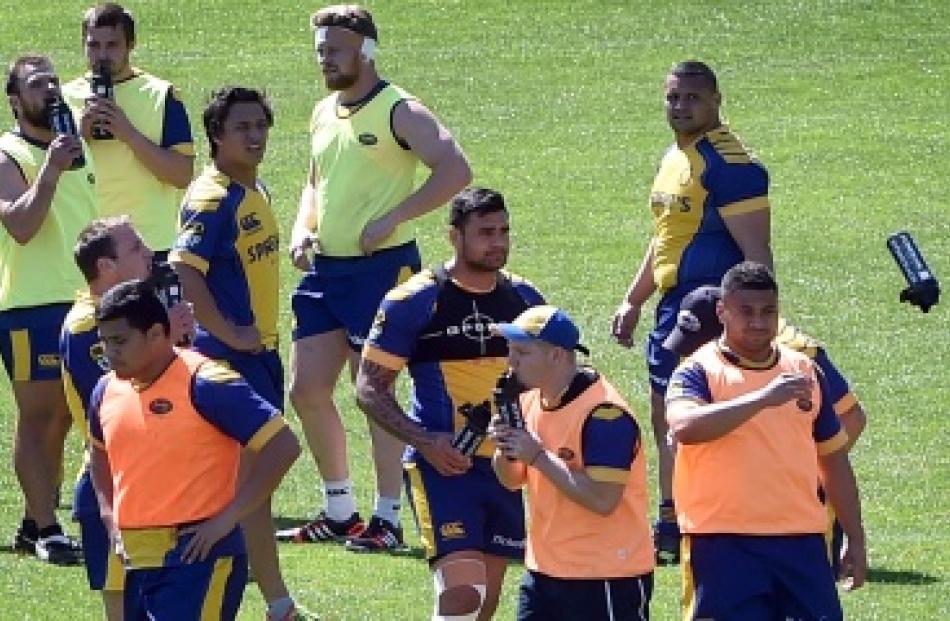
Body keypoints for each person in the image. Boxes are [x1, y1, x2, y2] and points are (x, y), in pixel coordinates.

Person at [282, 3, 472, 551]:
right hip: (325, 272)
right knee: (307, 388)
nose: (326, 60)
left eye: (335, 50)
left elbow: (455, 169)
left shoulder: (398, 108)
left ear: (365, 51)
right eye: (321, 51)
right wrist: (302, 228)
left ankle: (387, 519)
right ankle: (340, 510)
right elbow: (315, 182)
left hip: (381, 272)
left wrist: (394, 217)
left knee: (375, 391)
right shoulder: (323, 111)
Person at [610, 60, 773, 563]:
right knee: (665, 413)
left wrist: (755, 321)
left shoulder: (731, 165)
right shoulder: (675, 156)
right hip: (672, 305)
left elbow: (757, 256)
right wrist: (634, 299)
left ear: (717, 101)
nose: (680, 108)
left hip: (710, 310)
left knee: (701, 413)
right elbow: (664, 235)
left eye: (692, 99)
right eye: (673, 98)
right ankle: (672, 516)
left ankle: (709, 516)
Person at [355, 187, 544, 619]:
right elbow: (369, 387)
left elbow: (552, 378)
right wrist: (425, 441)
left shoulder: (526, 300)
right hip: (444, 467)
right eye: (485, 233)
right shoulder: (414, 301)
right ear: (454, 236)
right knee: (463, 596)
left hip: (507, 471)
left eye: (503, 231)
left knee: (485, 604)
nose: (497, 242)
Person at [169, 87, 305, 621]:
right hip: (231, 360)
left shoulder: (253, 188)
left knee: (254, 487)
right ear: (216, 136)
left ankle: (276, 603)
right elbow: (184, 270)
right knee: (246, 486)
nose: (255, 136)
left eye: (261, 126)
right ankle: (262, 600)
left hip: (259, 357)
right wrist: (230, 331)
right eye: (242, 127)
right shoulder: (212, 196)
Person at [87, 279, 300, 620]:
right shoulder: (105, 390)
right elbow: (97, 453)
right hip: (137, 560)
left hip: (199, 557)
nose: (111, 353)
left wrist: (228, 518)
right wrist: (110, 517)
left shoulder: (206, 382)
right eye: (105, 343)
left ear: (156, 334)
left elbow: (283, 445)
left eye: (120, 341)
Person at [665, 262, 867, 620]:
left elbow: (833, 459)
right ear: (722, 311)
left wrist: (854, 534)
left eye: (768, 311)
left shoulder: (804, 370)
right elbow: (685, 425)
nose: (758, 322)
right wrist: (762, 399)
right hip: (722, 543)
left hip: (800, 541)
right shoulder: (698, 371)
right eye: (746, 311)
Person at [63, 216, 194, 619]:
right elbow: (120, 397)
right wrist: (166, 338)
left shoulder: (134, 320)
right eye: (136, 248)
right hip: (115, 486)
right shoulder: (90, 327)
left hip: (153, 483)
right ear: (106, 268)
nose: (149, 254)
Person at [490, 305, 655, 621]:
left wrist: (537, 456)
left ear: (556, 355)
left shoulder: (606, 415)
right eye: (510, 350)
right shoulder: (528, 400)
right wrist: (506, 448)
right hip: (544, 571)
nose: (511, 362)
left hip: (606, 575)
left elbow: (602, 500)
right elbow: (511, 480)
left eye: (522, 352)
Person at [0, 54, 98, 564]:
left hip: (82, 299)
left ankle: (36, 519)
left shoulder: (76, 150)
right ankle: (46, 527)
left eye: (54, 83)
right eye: (38, 86)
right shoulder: (8, 154)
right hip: (31, 304)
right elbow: (21, 224)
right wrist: (53, 170)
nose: (52, 92)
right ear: (15, 101)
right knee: (40, 417)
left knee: (68, 413)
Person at [62, 2, 194, 256]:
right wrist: (81, 137)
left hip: (149, 245)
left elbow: (181, 175)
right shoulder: (64, 98)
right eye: (93, 45)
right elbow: (47, 176)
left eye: (112, 45)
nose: (102, 55)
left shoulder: (161, 96)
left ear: (130, 45)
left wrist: (128, 134)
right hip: (86, 247)